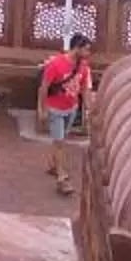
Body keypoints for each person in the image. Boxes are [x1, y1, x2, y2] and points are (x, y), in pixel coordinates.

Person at [38, 34, 95, 193]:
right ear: (77, 47)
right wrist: (42, 109)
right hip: (55, 109)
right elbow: (44, 87)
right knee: (60, 143)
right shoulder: (56, 64)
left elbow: (84, 89)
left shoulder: (83, 67)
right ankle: (62, 178)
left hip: (71, 108)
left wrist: (89, 109)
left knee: (61, 140)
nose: (88, 53)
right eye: (86, 50)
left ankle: (53, 164)